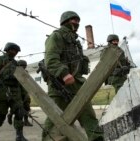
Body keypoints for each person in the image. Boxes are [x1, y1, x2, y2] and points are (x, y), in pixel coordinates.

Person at [42, 11, 103, 141]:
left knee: (88, 114)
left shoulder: (76, 42)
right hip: (59, 85)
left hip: (77, 84)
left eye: (77, 20)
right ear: (65, 21)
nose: (76, 23)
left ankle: (97, 139)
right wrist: (64, 74)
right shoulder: (56, 36)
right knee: (55, 118)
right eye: (73, 20)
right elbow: (51, 60)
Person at [0, 42, 28, 141]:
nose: (14, 52)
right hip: (1, 91)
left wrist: (24, 93)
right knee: (0, 115)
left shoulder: (16, 64)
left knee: (19, 112)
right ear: (7, 50)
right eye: (12, 50)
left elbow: (21, 80)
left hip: (15, 91)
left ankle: (19, 135)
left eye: (16, 51)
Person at [7, 60, 33, 127]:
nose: (24, 67)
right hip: (17, 93)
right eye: (22, 66)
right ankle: (10, 115)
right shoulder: (14, 73)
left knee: (27, 107)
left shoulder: (26, 73)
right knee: (16, 107)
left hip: (25, 92)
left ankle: (26, 121)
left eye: (25, 66)